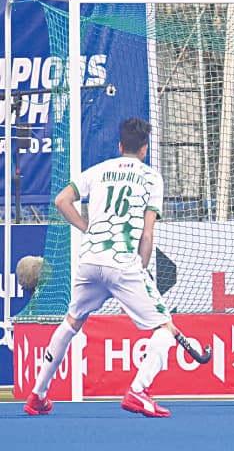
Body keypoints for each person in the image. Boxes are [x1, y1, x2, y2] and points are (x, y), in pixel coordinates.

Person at [24, 118, 181, 418]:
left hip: (90, 261)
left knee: (71, 322)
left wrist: (87, 228)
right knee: (164, 329)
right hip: (123, 264)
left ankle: (37, 395)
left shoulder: (98, 171)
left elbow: (61, 200)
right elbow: (147, 235)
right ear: (144, 150)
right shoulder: (151, 178)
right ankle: (138, 390)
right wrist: (141, 269)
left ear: (120, 146)